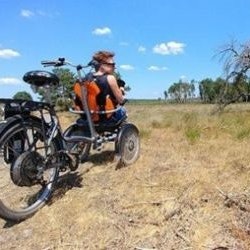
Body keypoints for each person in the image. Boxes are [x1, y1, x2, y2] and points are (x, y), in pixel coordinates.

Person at [87, 50, 127, 122]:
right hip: (105, 117)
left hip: (88, 116)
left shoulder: (86, 78)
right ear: (102, 65)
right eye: (112, 64)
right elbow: (121, 101)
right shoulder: (110, 78)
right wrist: (121, 89)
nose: (114, 67)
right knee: (123, 110)